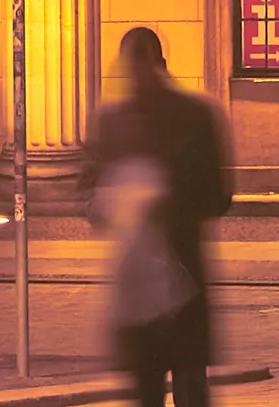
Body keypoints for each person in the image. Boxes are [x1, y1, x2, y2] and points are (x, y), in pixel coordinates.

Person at [81, 27, 237, 407]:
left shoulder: (191, 115)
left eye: (138, 66)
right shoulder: (119, 121)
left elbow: (217, 197)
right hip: (148, 283)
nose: (135, 77)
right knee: (161, 389)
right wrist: (118, 202)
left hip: (175, 280)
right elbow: (218, 198)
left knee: (177, 387)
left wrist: (162, 202)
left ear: (160, 65)